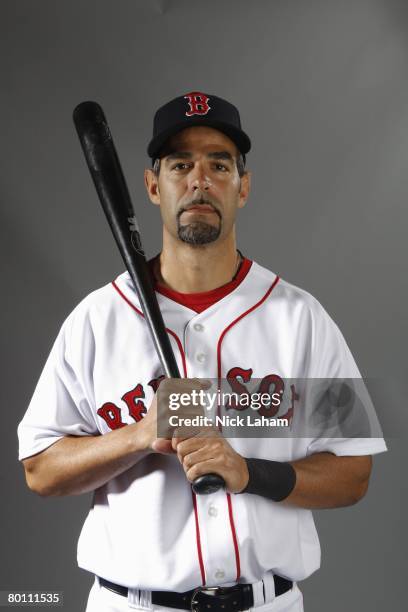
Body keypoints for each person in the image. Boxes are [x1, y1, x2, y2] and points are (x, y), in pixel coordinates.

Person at [18, 91, 387, 612]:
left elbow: (355, 473)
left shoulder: (303, 318)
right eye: (180, 164)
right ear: (152, 186)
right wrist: (140, 436)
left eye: (219, 164)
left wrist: (249, 472)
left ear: (243, 187)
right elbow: (39, 469)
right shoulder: (96, 320)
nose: (200, 179)